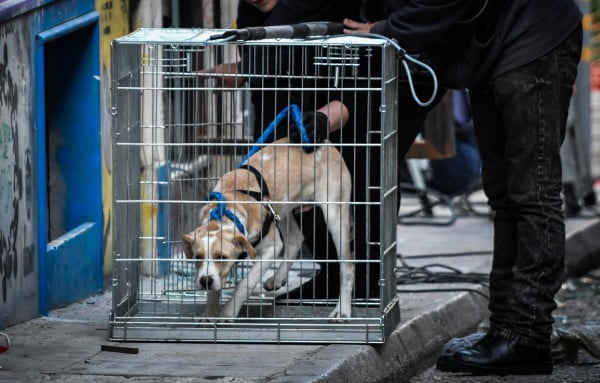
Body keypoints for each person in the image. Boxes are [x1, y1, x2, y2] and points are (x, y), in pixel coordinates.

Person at [344, 0, 582, 376]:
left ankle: (527, 335)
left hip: (534, 34)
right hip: (493, 48)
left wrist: (384, 30)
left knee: (532, 193)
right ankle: (506, 328)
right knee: (504, 197)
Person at [204, 0, 386, 301]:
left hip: (331, 101)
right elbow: (258, 69)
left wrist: (239, 71)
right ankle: (328, 276)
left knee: (354, 192)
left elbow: (260, 61)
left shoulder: (299, 6)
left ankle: (366, 282)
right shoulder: (247, 13)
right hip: (279, 110)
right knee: (289, 199)